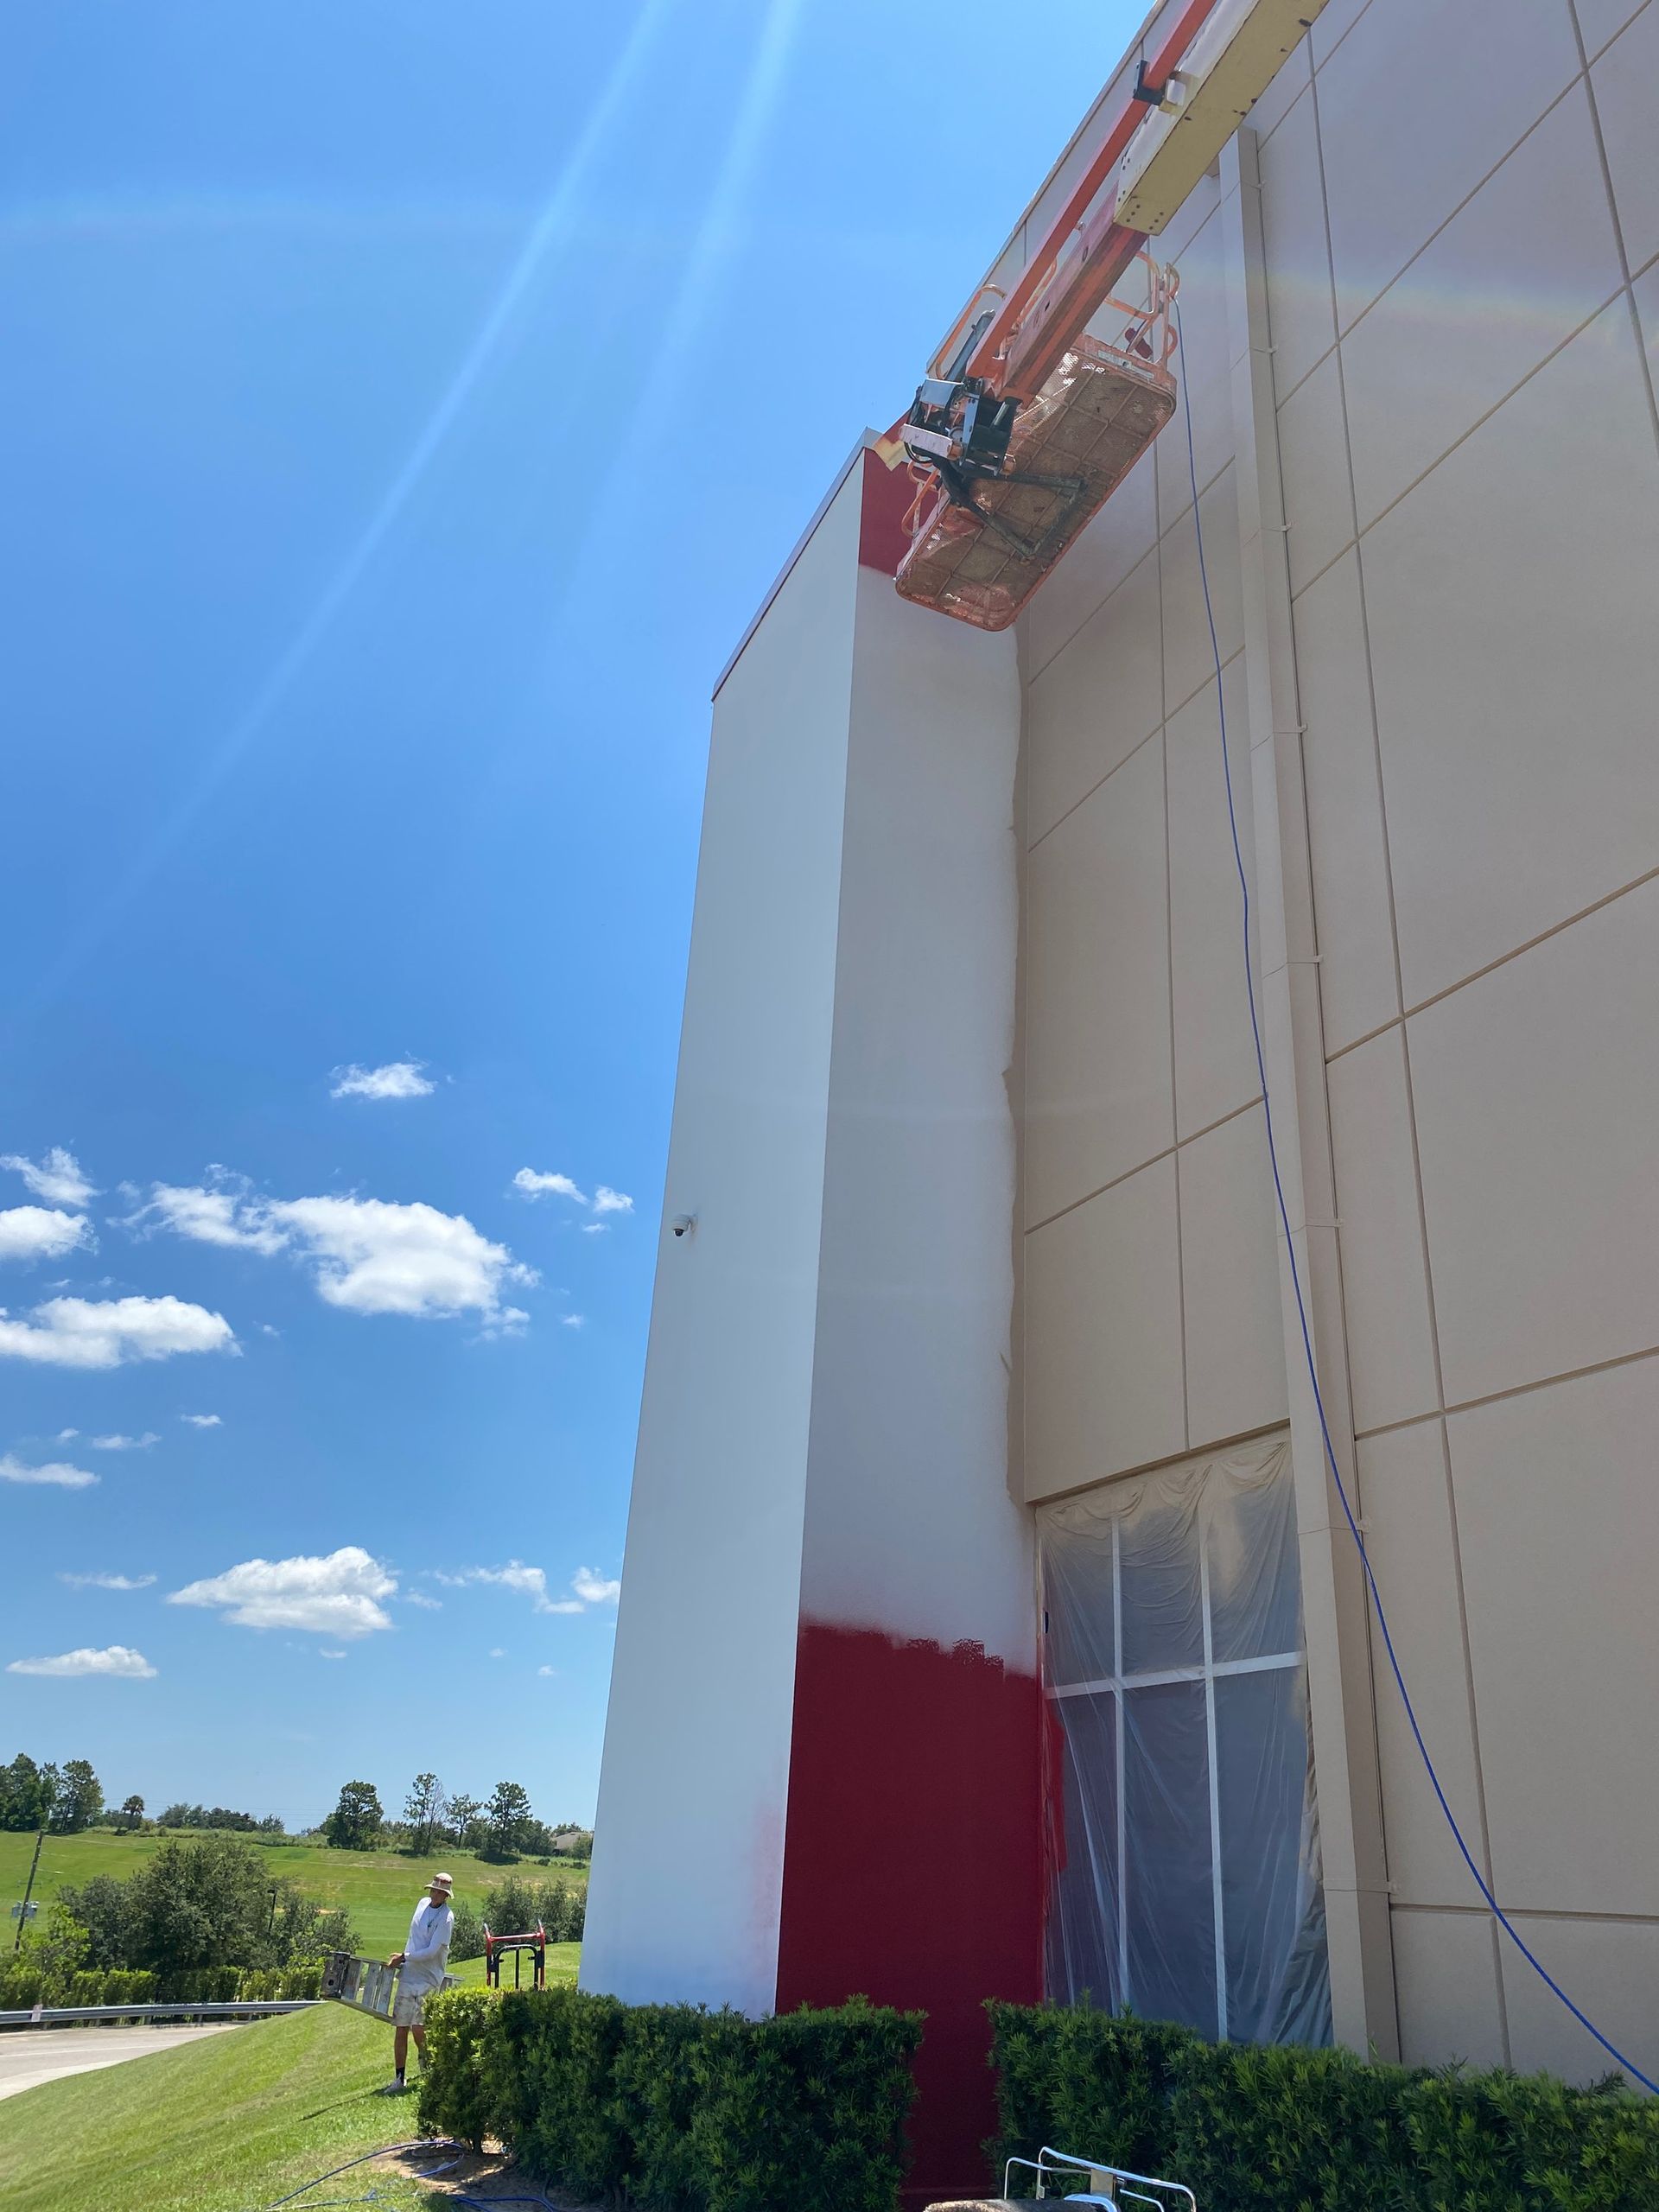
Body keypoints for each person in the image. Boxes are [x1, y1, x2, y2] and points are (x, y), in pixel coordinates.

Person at [383, 1871, 454, 2093]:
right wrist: (405, 1959)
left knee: (419, 2028)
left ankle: (429, 2070)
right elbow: (413, 1937)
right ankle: (399, 2078)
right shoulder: (422, 1904)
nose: (434, 1894)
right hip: (409, 1974)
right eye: (433, 1890)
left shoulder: (446, 1918)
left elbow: (433, 1951)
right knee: (401, 2026)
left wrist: (404, 1957)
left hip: (428, 1977)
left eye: (440, 1892)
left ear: (446, 1896)